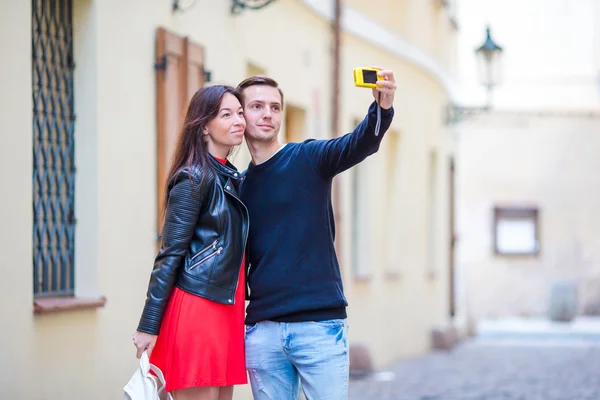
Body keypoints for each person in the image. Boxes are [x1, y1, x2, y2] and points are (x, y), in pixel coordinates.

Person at [237, 68, 396, 399]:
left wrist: (382, 108)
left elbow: (361, 142)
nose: (267, 113)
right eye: (256, 106)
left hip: (319, 328)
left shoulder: (308, 158)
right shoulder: (237, 186)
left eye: (275, 107)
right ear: (240, 116)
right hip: (263, 332)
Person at [132, 85, 249, 400]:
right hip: (199, 306)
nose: (239, 120)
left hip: (228, 308)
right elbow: (170, 255)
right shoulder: (193, 177)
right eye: (226, 114)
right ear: (204, 127)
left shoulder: (231, 176)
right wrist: (149, 324)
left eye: (240, 112)